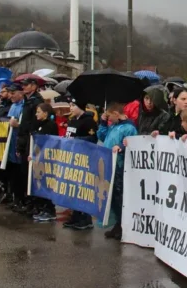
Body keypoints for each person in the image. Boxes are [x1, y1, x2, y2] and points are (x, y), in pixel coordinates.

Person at [98, 102, 138, 240]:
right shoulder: (113, 126)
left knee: (119, 196)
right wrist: (103, 123)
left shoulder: (129, 127)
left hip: (120, 166)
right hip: (111, 164)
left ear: (116, 114)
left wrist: (121, 146)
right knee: (113, 196)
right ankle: (118, 223)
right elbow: (102, 137)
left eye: (109, 116)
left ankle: (122, 225)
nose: (108, 119)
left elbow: (132, 143)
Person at [63, 98, 99, 230]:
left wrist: (76, 140)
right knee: (73, 188)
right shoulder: (72, 120)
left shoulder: (88, 121)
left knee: (82, 188)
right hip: (72, 157)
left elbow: (93, 138)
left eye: (73, 105)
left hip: (84, 158)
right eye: (70, 105)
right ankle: (76, 215)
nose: (71, 108)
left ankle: (86, 218)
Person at [10, 78, 44, 215]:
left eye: (26, 85)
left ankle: (35, 204)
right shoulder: (27, 101)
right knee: (24, 173)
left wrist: (23, 129)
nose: (23, 87)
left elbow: (35, 123)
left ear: (34, 86)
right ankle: (27, 201)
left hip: (32, 139)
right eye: (23, 85)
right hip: (24, 139)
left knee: (32, 174)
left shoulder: (36, 102)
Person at [31, 103, 60, 222]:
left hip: (47, 160)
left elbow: (49, 143)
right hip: (39, 159)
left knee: (47, 184)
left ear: (45, 113)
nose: (36, 114)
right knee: (40, 183)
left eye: (38, 112)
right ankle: (43, 207)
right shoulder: (40, 125)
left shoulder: (50, 125)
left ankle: (50, 210)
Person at [0, 84, 25, 207]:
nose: (11, 96)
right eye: (9, 93)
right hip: (11, 143)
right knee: (11, 172)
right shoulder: (13, 106)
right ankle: (13, 196)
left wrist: (18, 125)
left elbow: (25, 124)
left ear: (20, 93)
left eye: (13, 93)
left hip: (19, 142)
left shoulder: (25, 105)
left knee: (19, 173)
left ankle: (20, 199)